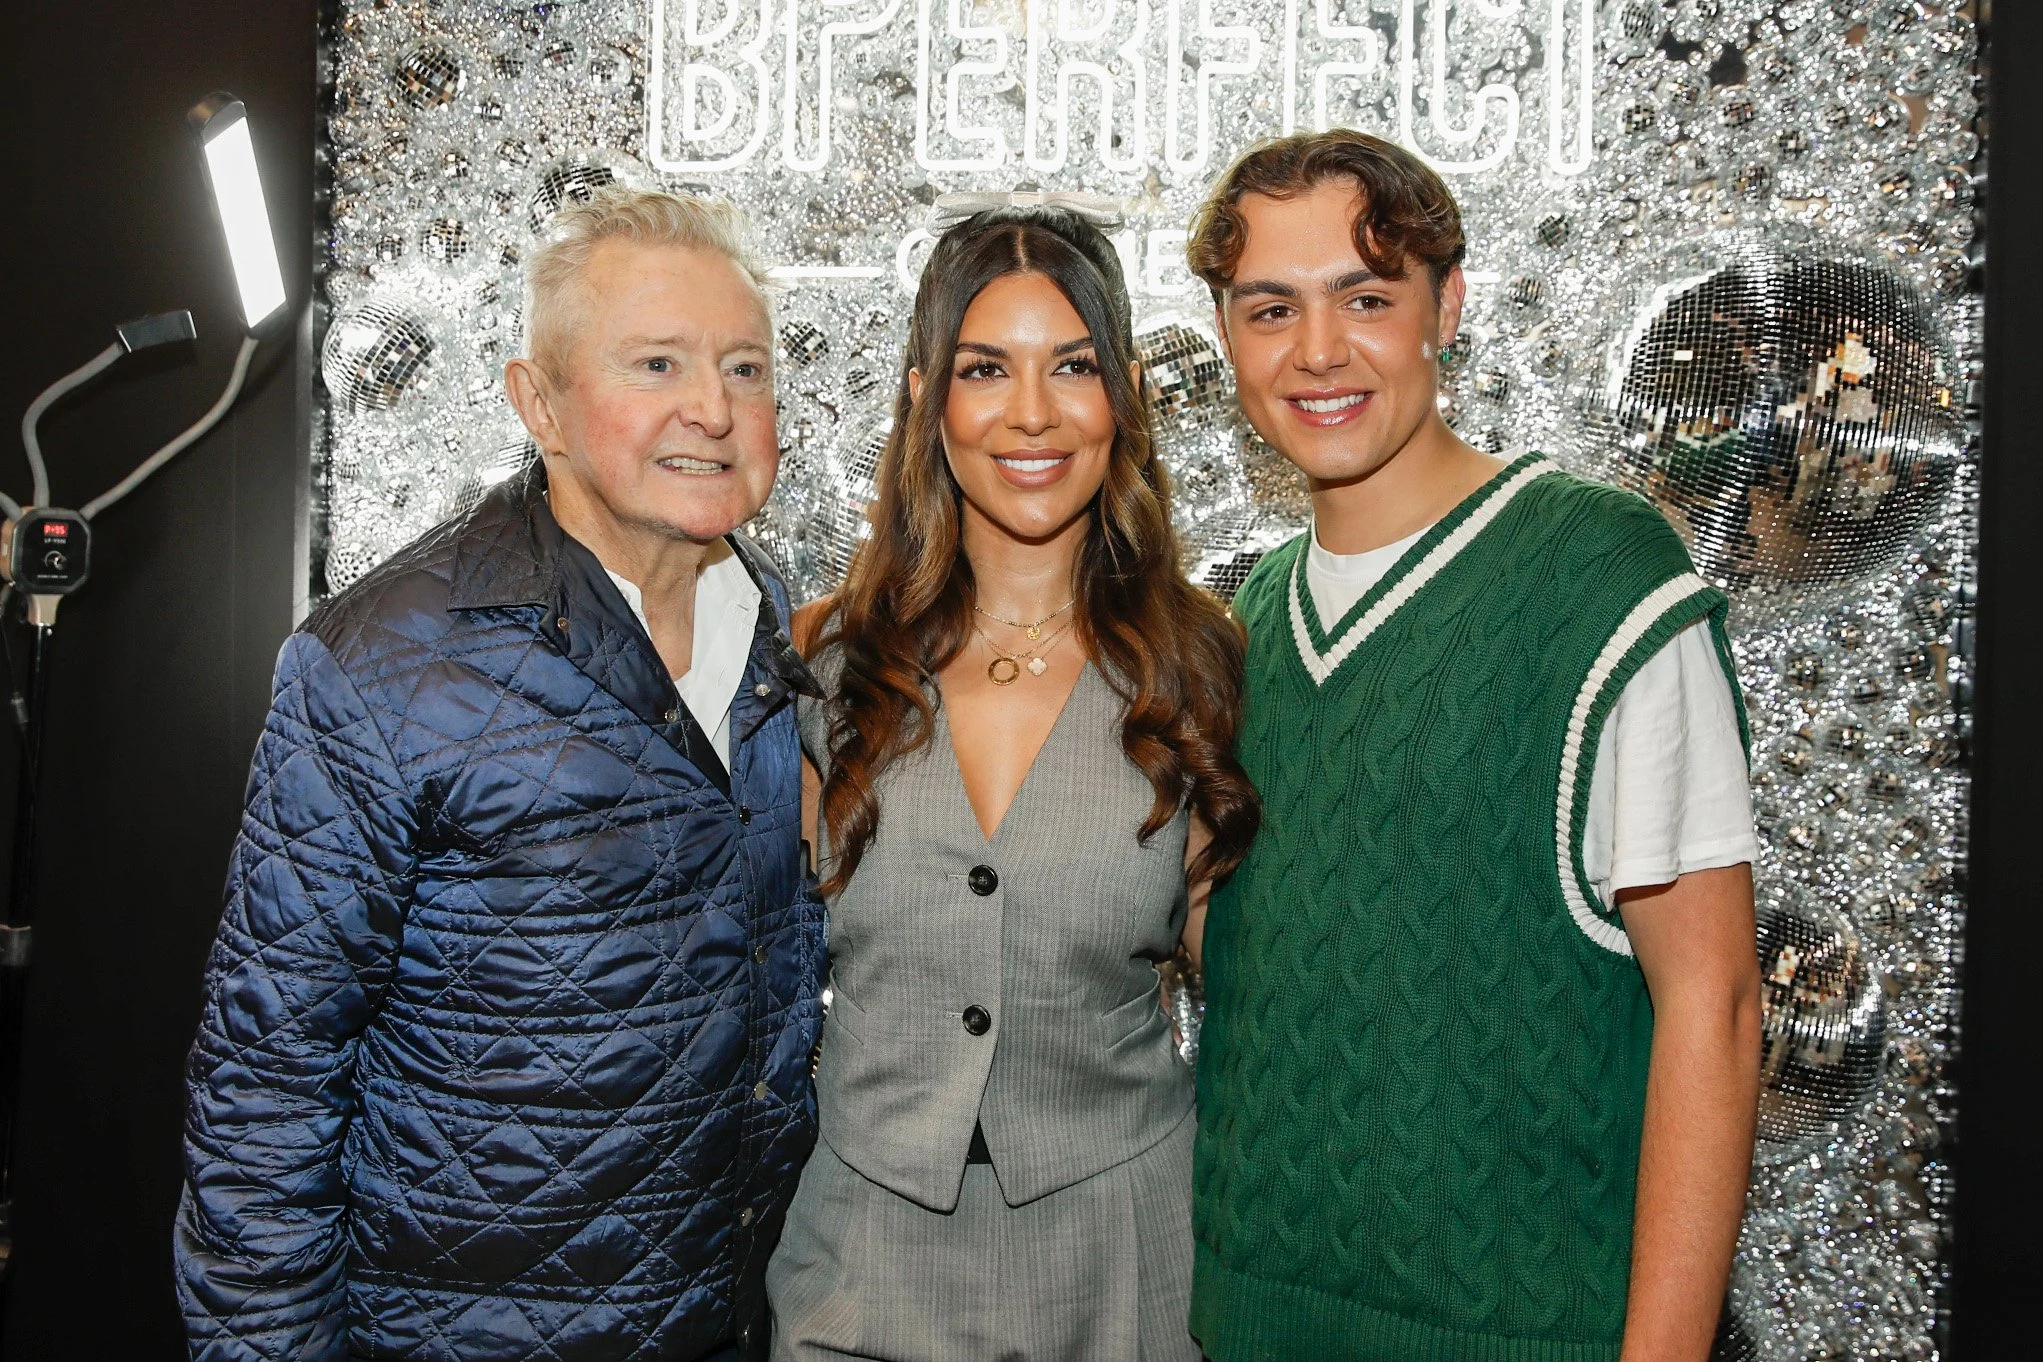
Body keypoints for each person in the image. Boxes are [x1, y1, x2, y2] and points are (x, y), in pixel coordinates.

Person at [174, 188, 823, 1362]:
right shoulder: (381, 666)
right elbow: (264, 1091)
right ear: (540, 404)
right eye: (657, 363)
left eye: (745, 367)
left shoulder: (775, 626)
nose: (713, 408)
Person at [1184, 131, 1763, 1362]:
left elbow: (1713, 1004)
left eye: (1366, 298)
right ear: (1226, 336)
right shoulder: (1249, 624)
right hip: (1247, 1319)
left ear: (1447, 307)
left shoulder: (1600, 577)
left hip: (1522, 1331)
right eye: (1271, 308)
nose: (1318, 350)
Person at [763, 204, 1259, 1360]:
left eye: (1072, 367)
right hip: (859, 1277)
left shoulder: (1202, 667)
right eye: (985, 368)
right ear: (925, 397)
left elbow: (1252, 989)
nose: (1031, 413)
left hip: (1126, 1276)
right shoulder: (824, 661)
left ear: (1123, 395)